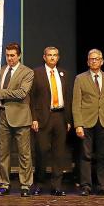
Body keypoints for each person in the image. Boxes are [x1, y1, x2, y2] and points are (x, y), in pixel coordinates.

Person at [0, 42, 34, 197]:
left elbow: (22, 93)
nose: (10, 58)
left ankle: (25, 185)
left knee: (24, 154)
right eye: (7, 55)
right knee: (4, 154)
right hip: (2, 116)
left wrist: (1, 92)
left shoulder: (27, 72)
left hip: (20, 117)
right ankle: (4, 184)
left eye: (12, 55)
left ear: (19, 55)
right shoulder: (0, 71)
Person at [72, 48, 104, 196]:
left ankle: (103, 186)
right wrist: (78, 124)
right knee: (86, 155)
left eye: (97, 59)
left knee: (103, 156)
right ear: (87, 62)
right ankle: (86, 186)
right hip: (86, 121)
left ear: (102, 61)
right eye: (91, 59)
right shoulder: (80, 78)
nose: (94, 61)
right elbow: (76, 103)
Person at [30, 47, 72, 196]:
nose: (52, 58)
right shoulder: (36, 73)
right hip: (42, 118)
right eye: (49, 55)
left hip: (60, 116)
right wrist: (33, 118)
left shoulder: (64, 74)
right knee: (41, 152)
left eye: (55, 55)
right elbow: (32, 98)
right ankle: (39, 184)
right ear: (44, 57)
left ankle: (57, 186)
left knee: (59, 153)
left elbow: (67, 97)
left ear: (58, 57)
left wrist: (68, 119)